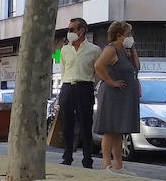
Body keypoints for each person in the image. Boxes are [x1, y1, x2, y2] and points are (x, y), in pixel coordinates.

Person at [93, 20, 141, 171]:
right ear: (119, 36)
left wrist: (132, 49)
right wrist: (110, 81)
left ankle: (118, 165)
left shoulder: (125, 51)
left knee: (119, 131)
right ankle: (106, 164)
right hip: (113, 95)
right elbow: (98, 65)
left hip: (124, 95)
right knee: (110, 130)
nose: (130, 37)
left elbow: (137, 66)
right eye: (128, 34)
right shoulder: (111, 49)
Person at [57, 17, 98, 168]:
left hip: (84, 87)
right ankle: (67, 156)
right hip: (67, 87)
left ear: (82, 31)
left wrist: (92, 86)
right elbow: (63, 70)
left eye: (72, 29)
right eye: (68, 29)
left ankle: (87, 159)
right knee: (67, 124)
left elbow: (98, 71)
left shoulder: (94, 50)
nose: (69, 32)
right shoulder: (65, 49)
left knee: (86, 125)